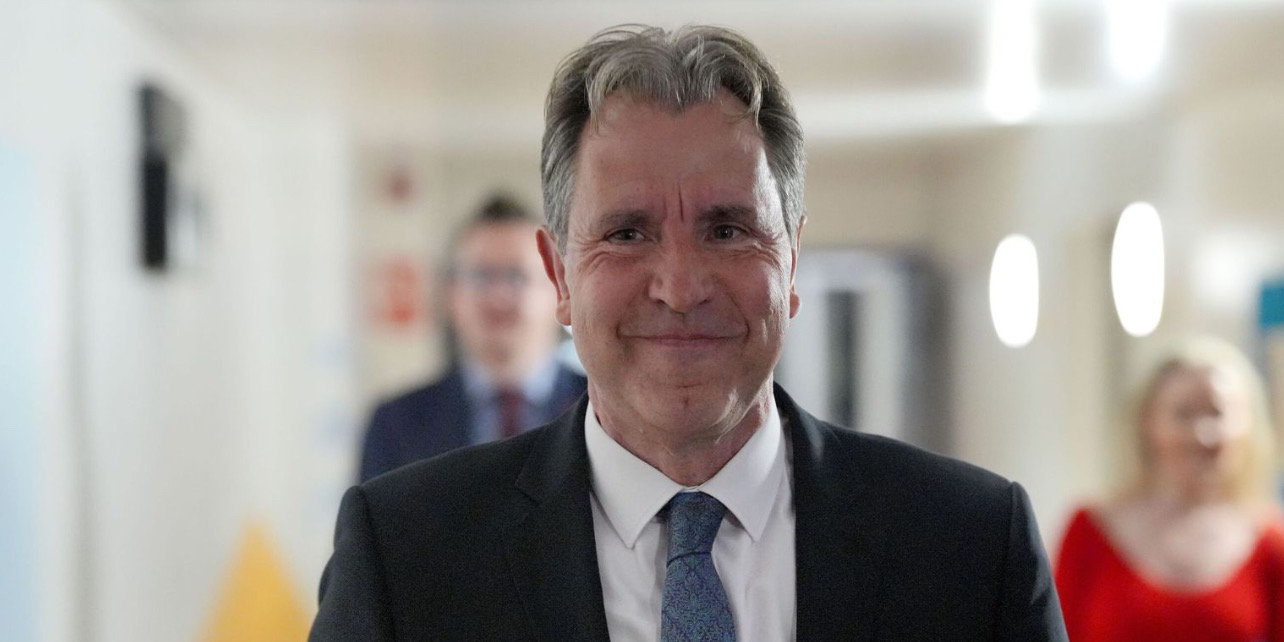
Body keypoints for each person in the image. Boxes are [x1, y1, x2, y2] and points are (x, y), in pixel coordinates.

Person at [312, 25, 1067, 641]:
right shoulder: (407, 558)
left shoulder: (970, 547)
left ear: (791, 263)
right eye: (627, 233)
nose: (679, 288)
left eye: (728, 229)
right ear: (560, 275)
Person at [1055, 336, 1284, 642]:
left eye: (1217, 413)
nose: (1201, 433)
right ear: (1148, 423)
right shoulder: (1089, 530)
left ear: (1248, 426)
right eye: (1183, 413)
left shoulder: (1271, 542)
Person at [358, 194, 587, 482]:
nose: (498, 296)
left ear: (558, 290)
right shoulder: (396, 423)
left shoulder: (600, 408)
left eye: (516, 276)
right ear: (450, 295)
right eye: (480, 277)